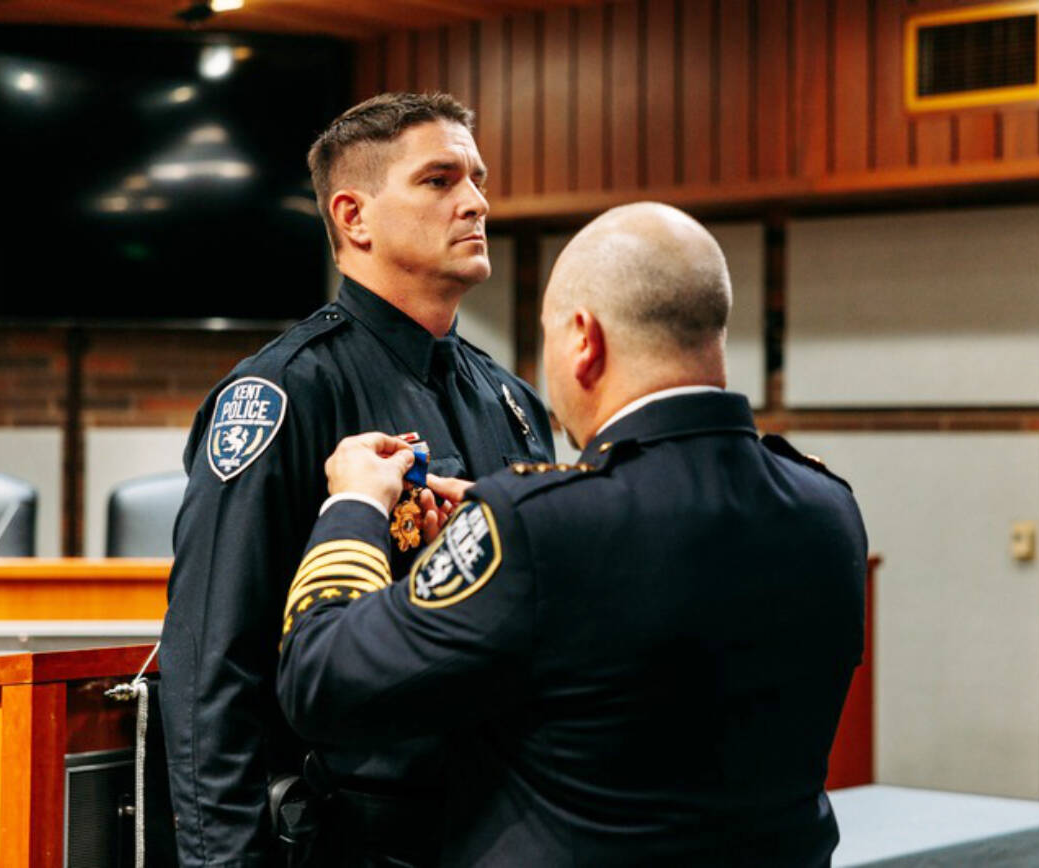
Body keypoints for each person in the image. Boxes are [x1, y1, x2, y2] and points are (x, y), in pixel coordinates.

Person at [276, 202, 869, 866]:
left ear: (584, 340)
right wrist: (514, 525)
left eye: (548, 337)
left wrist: (354, 504)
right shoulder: (827, 505)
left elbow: (321, 680)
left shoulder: (534, 527)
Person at [159, 92, 554, 868]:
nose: (476, 202)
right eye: (440, 181)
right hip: (358, 836)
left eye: (477, 178)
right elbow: (213, 662)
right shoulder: (283, 393)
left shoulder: (513, 402)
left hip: (507, 829)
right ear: (354, 216)